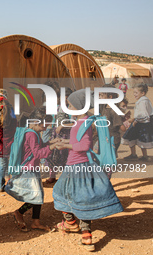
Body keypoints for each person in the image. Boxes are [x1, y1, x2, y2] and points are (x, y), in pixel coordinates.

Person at [53, 89, 123, 252]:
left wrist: (65, 145)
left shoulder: (82, 123)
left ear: (78, 107)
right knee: (82, 199)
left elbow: (84, 146)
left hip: (76, 166)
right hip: (80, 165)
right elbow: (79, 141)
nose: (68, 107)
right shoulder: (83, 122)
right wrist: (63, 141)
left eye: (70, 105)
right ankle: (84, 234)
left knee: (60, 193)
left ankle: (71, 223)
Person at [5, 107, 60, 232]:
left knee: (38, 195)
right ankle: (19, 213)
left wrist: (51, 142)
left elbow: (37, 148)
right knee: (36, 196)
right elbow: (38, 154)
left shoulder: (31, 132)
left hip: (31, 168)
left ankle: (36, 222)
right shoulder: (32, 135)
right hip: (28, 170)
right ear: (36, 122)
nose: (45, 129)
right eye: (44, 126)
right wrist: (52, 147)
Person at [45, 87, 73, 184]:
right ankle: (52, 176)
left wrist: (62, 125)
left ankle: (64, 178)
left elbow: (75, 123)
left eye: (65, 97)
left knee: (64, 156)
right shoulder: (56, 107)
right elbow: (52, 120)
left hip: (67, 137)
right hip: (55, 135)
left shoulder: (72, 109)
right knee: (53, 155)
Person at [122, 84, 153, 160]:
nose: (134, 94)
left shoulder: (142, 102)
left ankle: (136, 155)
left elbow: (144, 115)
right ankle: (141, 155)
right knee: (138, 139)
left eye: (136, 93)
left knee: (132, 137)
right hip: (142, 123)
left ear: (142, 93)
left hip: (142, 124)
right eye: (134, 92)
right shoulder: (143, 100)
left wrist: (135, 120)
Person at [99, 84, 126, 156]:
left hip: (113, 139)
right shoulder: (104, 107)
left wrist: (125, 125)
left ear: (110, 97)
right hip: (106, 138)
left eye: (102, 95)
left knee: (109, 157)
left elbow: (122, 127)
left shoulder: (113, 111)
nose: (99, 97)